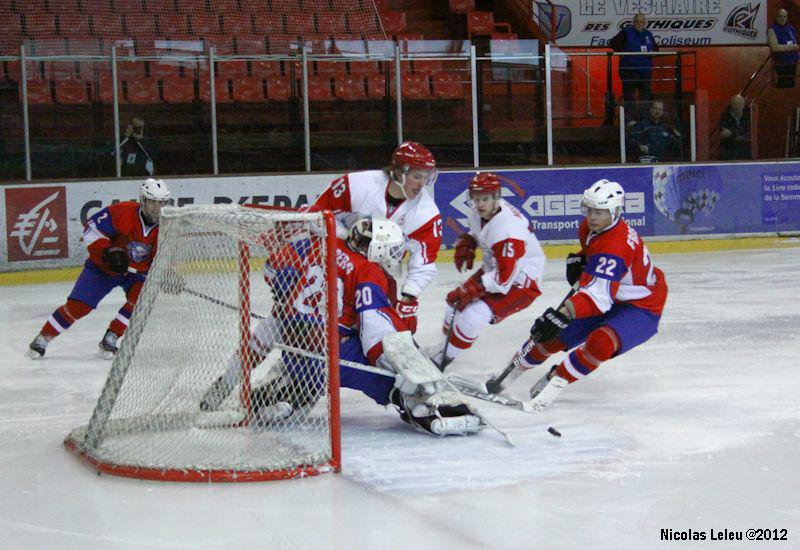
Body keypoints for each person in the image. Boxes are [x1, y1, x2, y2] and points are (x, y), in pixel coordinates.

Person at [200, 217, 484, 438]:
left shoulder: (319, 244)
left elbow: (273, 274)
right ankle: (426, 411)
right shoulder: (367, 270)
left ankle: (268, 392)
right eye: (389, 254)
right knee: (391, 382)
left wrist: (227, 381)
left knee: (280, 337)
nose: (390, 261)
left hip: (295, 349)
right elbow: (374, 329)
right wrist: (404, 366)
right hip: (332, 355)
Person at [487, 179, 668, 410]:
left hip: (641, 306)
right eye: (589, 210)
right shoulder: (590, 228)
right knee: (550, 336)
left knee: (600, 342)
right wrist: (583, 258)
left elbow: (598, 299)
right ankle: (508, 376)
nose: (592, 216)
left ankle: (554, 383)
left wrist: (562, 314)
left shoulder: (615, 248)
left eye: (599, 212)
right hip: (612, 292)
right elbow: (597, 263)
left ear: (615, 212)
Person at [27, 178, 171, 359]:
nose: (157, 208)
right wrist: (108, 251)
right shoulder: (122, 211)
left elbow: (165, 254)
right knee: (79, 307)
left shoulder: (168, 225)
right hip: (105, 267)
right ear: (143, 200)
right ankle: (43, 338)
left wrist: (169, 274)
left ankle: (111, 339)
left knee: (141, 301)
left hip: (136, 273)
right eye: (152, 203)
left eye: (161, 203)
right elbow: (92, 229)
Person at [307, 141, 441, 335]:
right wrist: (347, 238)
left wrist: (409, 297)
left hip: (377, 270)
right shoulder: (358, 185)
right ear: (399, 172)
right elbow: (317, 216)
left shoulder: (427, 213)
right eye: (417, 176)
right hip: (338, 256)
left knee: (396, 321)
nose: (422, 184)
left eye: (426, 177)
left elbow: (424, 260)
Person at [428, 172, 545, 371]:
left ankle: (445, 359)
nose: (480, 204)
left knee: (474, 314)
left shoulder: (509, 231)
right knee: (453, 302)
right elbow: (484, 233)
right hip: (497, 268)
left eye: (485, 199)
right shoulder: (479, 213)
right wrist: (471, 240)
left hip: (523, 282)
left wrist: (474, 288)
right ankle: (445, 347)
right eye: (476, 198)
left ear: (496, 197)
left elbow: (503, 280)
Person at [610, 13, 659, 121]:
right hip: (629, 70)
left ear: (645, 23)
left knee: (645, 98)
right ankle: (630, 122)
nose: (639, 24)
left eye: (641, 21)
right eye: (637, 21)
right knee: (630, 97)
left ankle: (644, 121)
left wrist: (653, 53)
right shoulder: (626, 32)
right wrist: (622, 53)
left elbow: (656, 48)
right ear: (633, 22)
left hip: (645, 71)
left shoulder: (648, 34)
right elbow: (613, 43)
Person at [768, 9, 799, 89]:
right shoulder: (772, 30)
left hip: (793, 62)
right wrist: (794, 47)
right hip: (781, 63)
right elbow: (775, 48)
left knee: (791, 86)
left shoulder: (791, 28)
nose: (782, 19)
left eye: (784, 17)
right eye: (780, 16)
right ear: (776, 17)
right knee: (783, 86)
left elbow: (794, 41)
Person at [718, 94, 752, 160]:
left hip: (746, 152)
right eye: (735, 104)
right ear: (731, 105)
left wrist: (732, 133)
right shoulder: (725, 116)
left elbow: (750, 132)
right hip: (729, 152)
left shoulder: (749, 115)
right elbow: (724, 134)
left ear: (743, 104)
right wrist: (740, 134)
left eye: (740, 104)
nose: (737, 106)